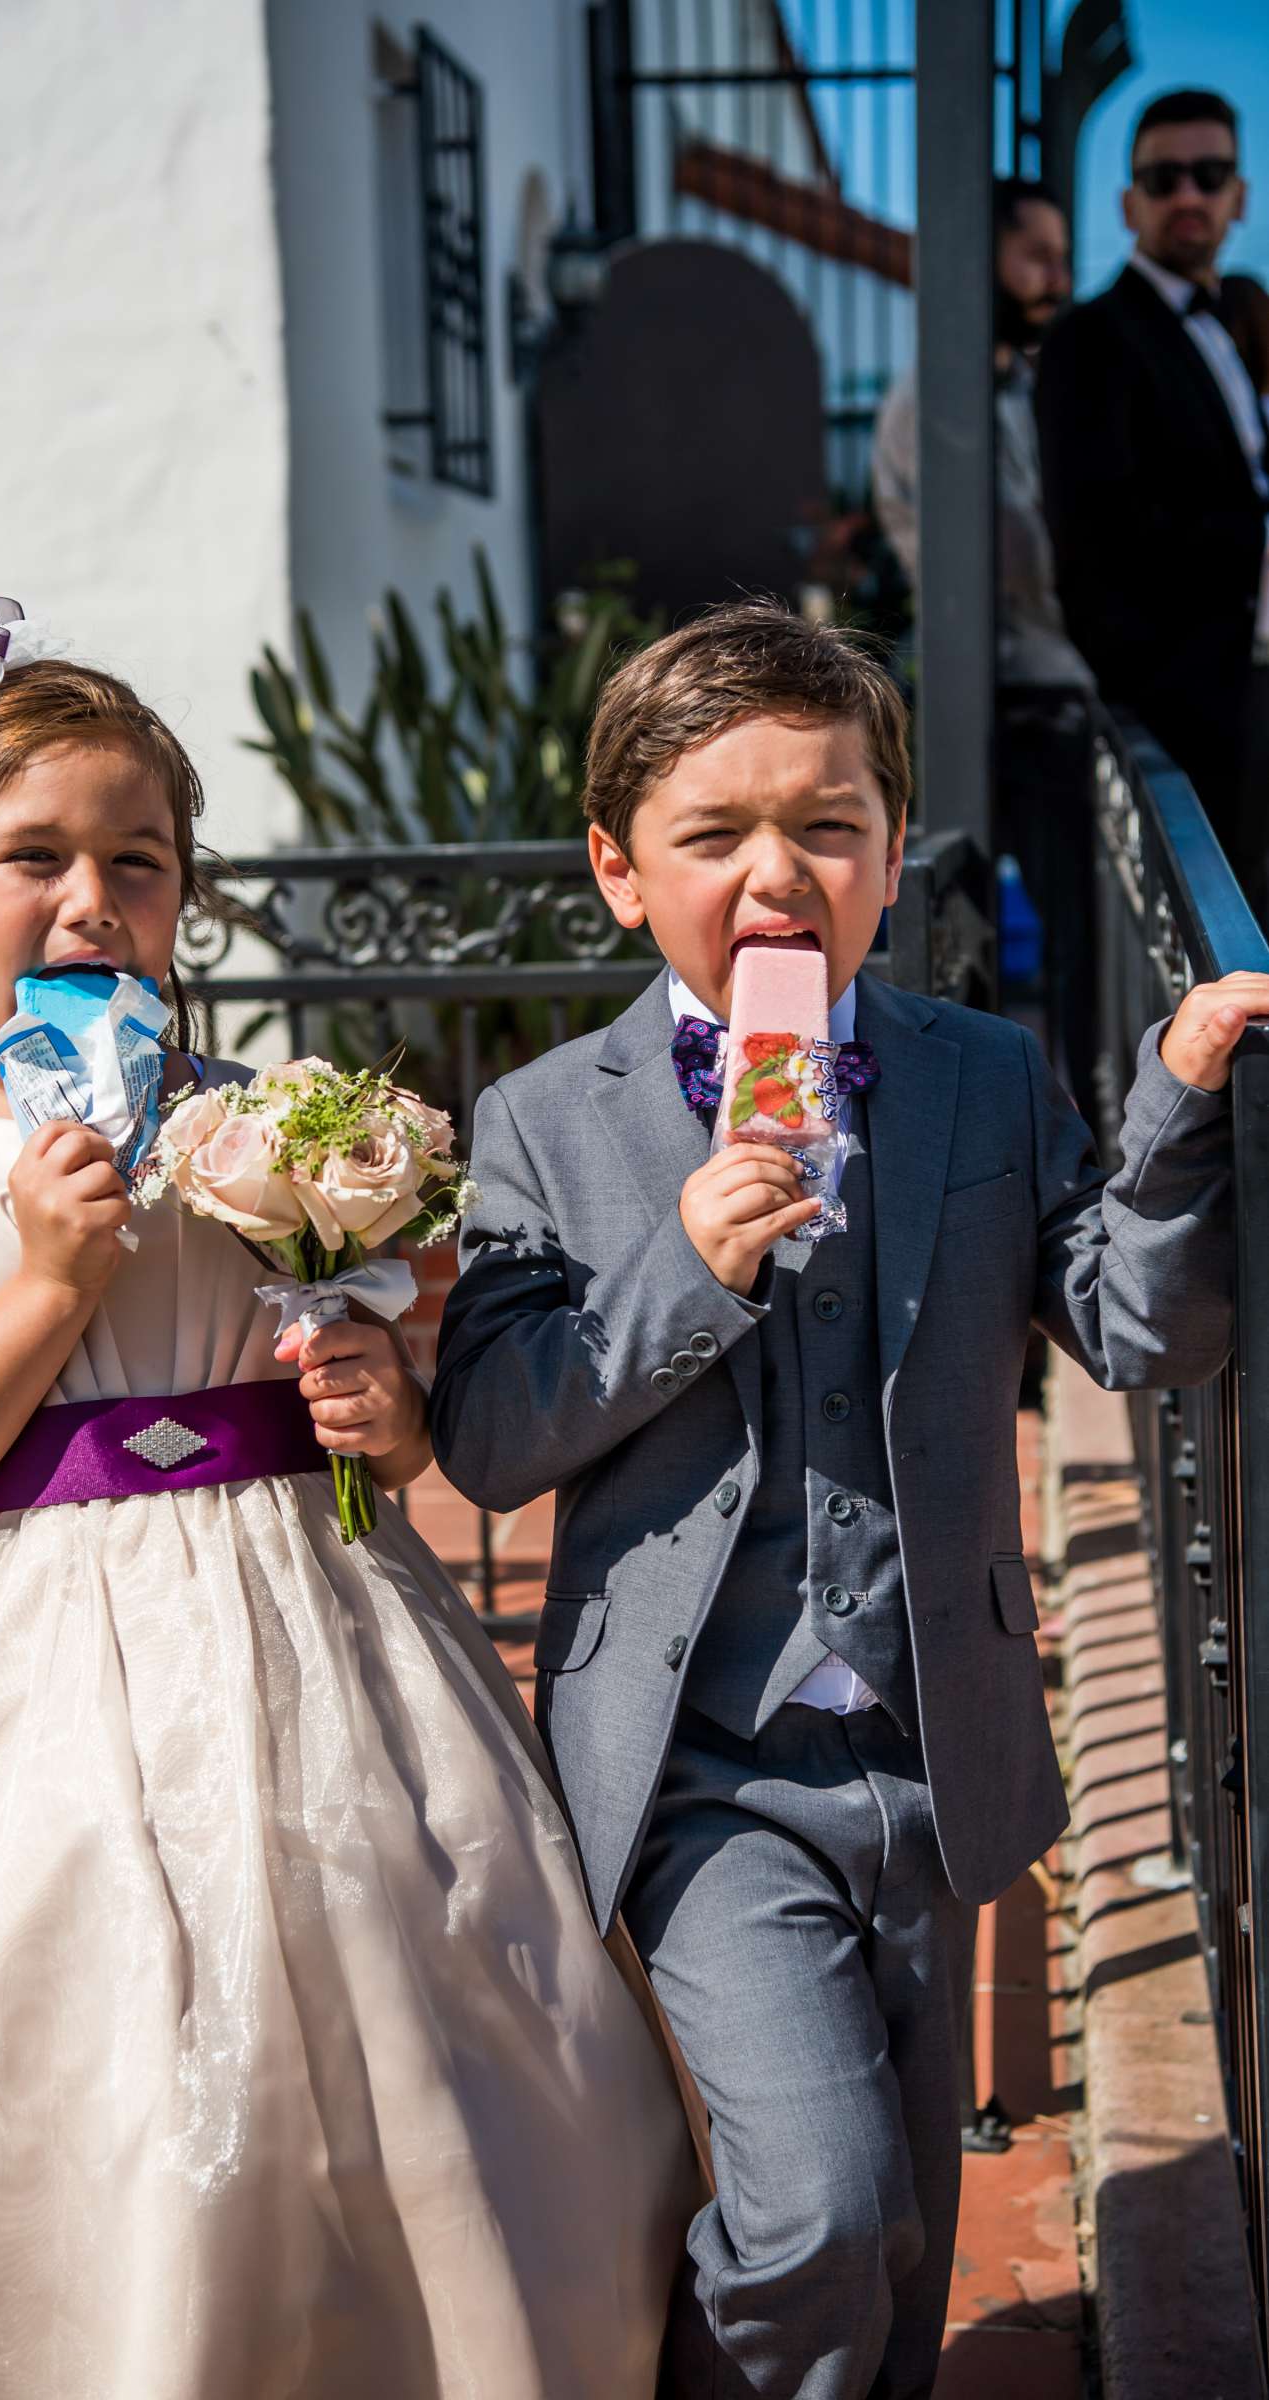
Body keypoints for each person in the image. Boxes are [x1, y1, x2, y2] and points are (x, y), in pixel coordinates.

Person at [0, 586, 696, 2398]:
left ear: (181, 897)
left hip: (298, 1638)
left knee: (386, 2025)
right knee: (40, 2067)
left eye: (136, 864)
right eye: (32, 859)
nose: (88, 904)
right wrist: (52, 1279)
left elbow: (378, 1421)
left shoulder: (269, 1125)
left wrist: (378, 1399)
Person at [429, 601, 1266, 2399]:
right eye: (711, 835)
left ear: (891, 856)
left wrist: (1177, 1106)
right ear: (613, 870)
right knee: (809, 2211)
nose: (772, 876)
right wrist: (681, 1268)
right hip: (705, 1775)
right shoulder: (542, 1124)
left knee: (897, 2229)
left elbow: (1136, 1326)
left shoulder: (976, 1072)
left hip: (928, 1739)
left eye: (824, 827)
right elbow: (494, 1437)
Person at [874, 179, 1100, 1127]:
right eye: (1036, 254)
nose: (1058, 274)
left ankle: (1072, 1113)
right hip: (996, 689)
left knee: (1071, 935)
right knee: (975, 926)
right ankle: (981, 1125)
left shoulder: (1016, 385)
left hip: (1046, 681)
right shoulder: (940, 395)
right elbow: (1017, 550)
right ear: (985, 263)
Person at [1036, 89, 1269, 905]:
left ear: (1239, 195)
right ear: (1127, 203)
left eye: (1209, 175)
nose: (1187, 196)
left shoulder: (1229, 327)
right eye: (1162, 178)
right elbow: (1095, 535)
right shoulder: (1089, 337)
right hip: (1185, 715)